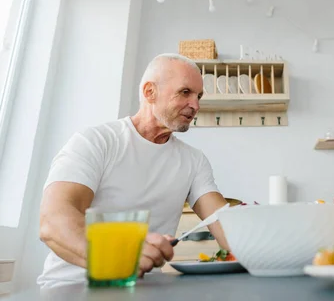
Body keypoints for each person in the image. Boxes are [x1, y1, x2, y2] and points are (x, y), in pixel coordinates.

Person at [37, 53, 229, 288]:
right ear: (150, 92)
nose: (196, 105)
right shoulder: (96, 141)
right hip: (72, 287)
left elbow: (223, 222)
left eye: (199, 96)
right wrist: (118, 258)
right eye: (185, 92)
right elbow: (53, 222)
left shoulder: (194, 160)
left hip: (141, 289)